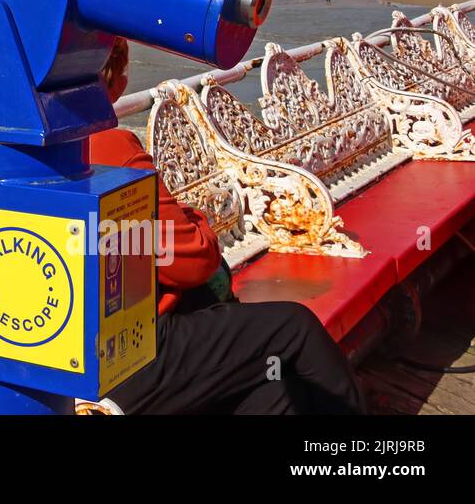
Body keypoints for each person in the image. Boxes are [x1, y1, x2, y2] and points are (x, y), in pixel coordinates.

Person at [94, 38, 364, 414]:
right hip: (130, 357)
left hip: (50, 359)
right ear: (116, 83)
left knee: (272, 392)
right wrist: (196, 219)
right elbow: (193, 260)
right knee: (295, 329)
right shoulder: (104, 146)